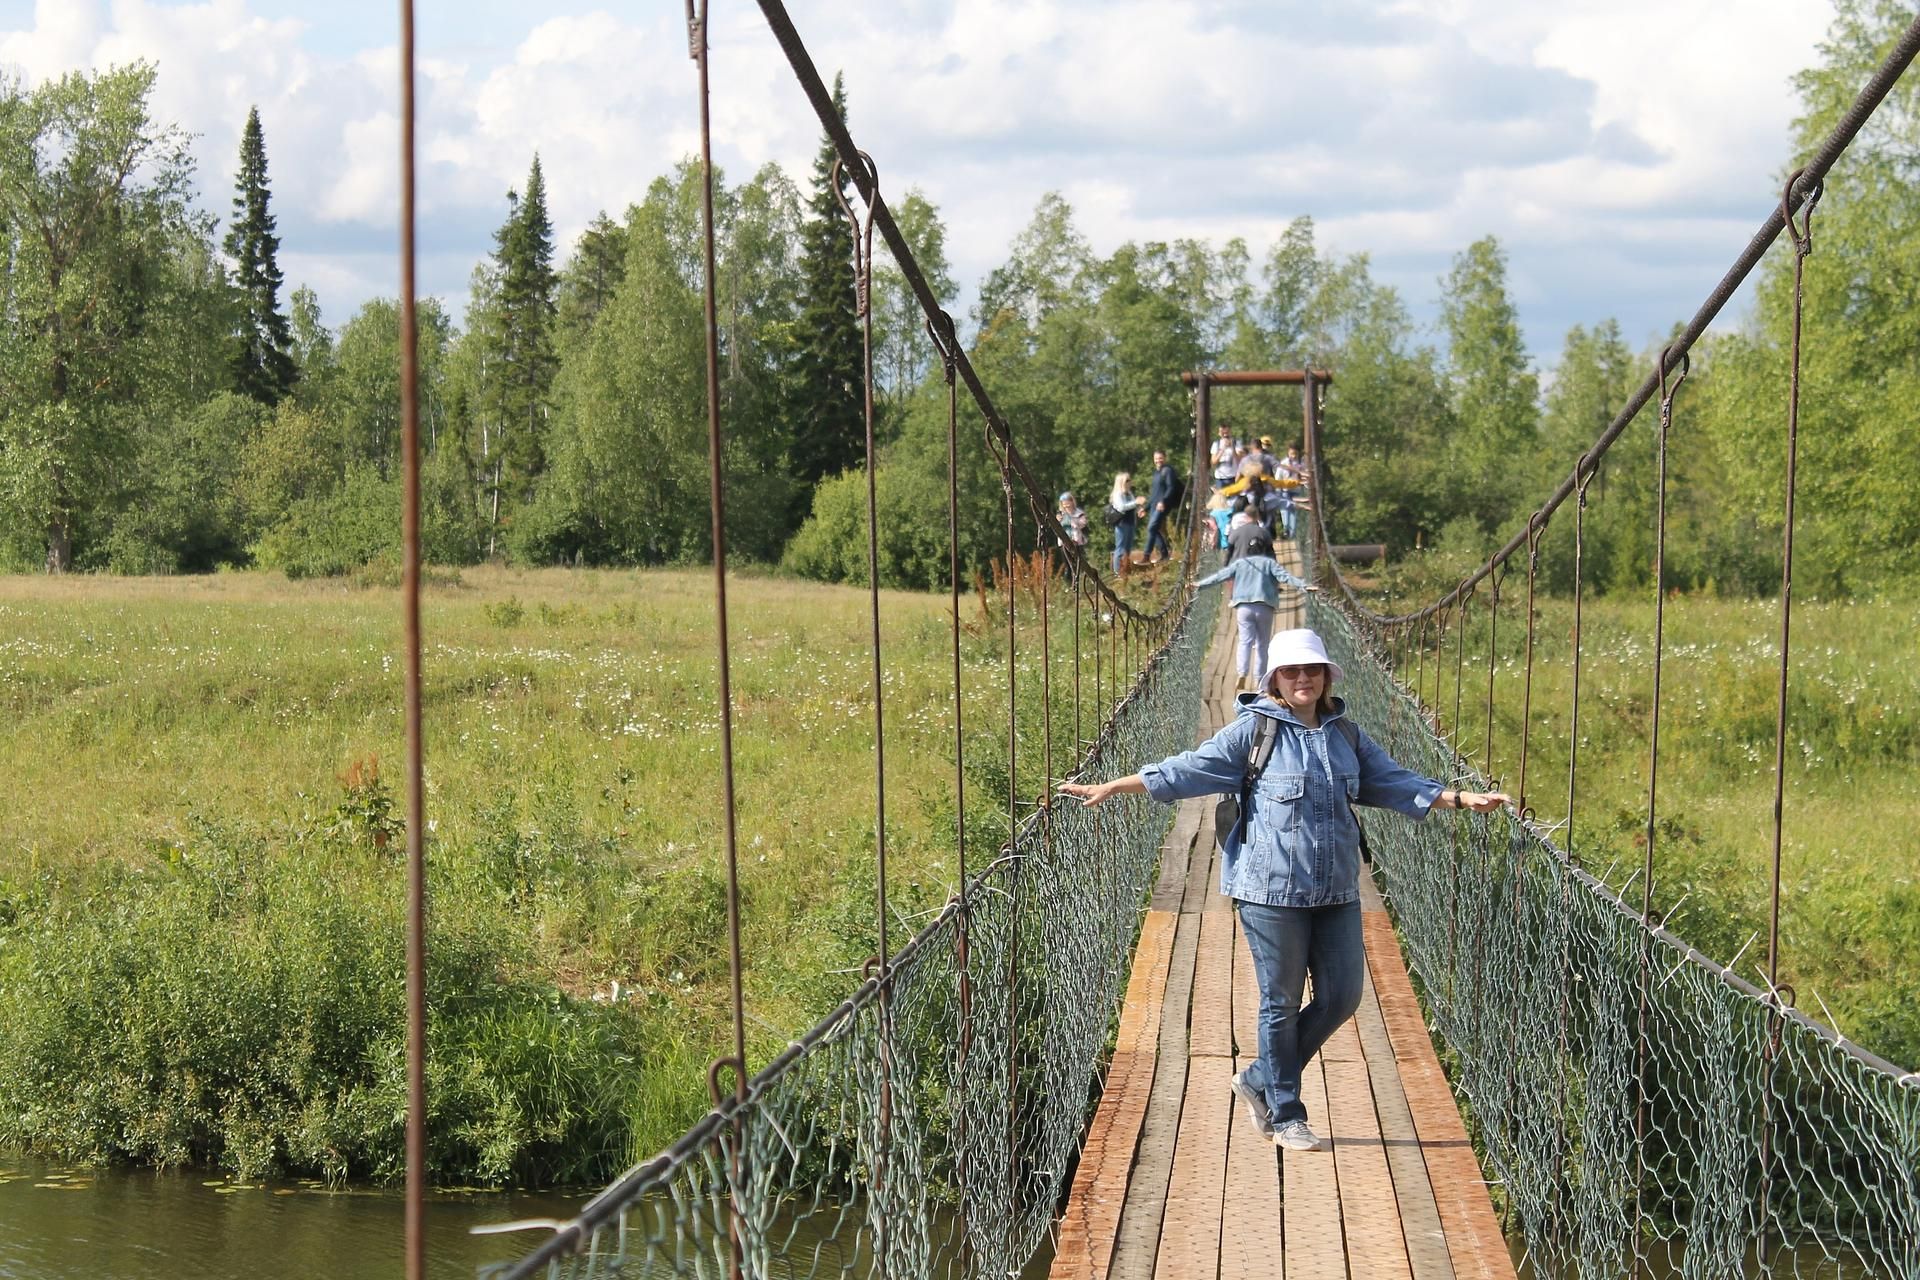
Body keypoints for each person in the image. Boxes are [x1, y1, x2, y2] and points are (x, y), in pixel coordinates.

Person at [1057, 629, 1508, 1151]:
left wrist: (1454, 797)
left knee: (1342, 997)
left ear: (1326, 676)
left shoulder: (1346, 734)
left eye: (1312, 670)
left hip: (1337, 887)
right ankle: (1285, 1112)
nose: (1303, 679)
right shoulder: (1253, 733)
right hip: (1270, 891)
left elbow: (1387, 779)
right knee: (1280, 1000)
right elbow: (1190, 769)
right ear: (1273, 678)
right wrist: (1115, 785)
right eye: (1292, 671)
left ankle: (1257, 1078)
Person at [1194, 550, 1318, 693]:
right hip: (1264, 606)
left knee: (1245, 641)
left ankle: (1242, 673)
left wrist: (1199, 585)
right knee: (1262, 644)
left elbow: (1220, 576)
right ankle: (1260, 679)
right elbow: (1285, 577)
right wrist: (1303, 585)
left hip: (1244, 606)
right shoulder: (1269, 563)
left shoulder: (1241, 563)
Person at [1144, 450, 1182, 563]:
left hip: (1161, 505)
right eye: (1156, 458)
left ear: (1164, 458)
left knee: (1151, 528)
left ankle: (1147, 555)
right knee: (1153, 529)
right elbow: (1154, 493)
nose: (1158, 460)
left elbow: (1171, 488)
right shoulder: (1156, 473)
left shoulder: (1167, 471)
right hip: (1153, 505)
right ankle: (1164, 553)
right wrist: (1145, 508)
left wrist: (1163, 501)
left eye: (1160, 458)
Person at [1106, 473, 1145, 574]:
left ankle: (1125, 569)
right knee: (1120, 548)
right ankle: (1117, 571)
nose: (1130, 482)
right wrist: (1136, 502)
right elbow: (1122, 507)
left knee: (1128, 548)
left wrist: (1139, 509)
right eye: (1127, 480)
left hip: (1130, 522)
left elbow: (1132, 506)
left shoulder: (1129, 493)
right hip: (1122, 523)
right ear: (1121, 483)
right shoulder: (1117, 494)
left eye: (1129, 480)